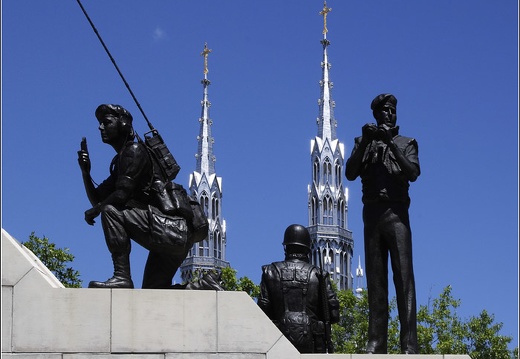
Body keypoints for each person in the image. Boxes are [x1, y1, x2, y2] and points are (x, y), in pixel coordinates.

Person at [77, 104, 191, 289]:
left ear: (123, 124)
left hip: (170, 230)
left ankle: (121, 276)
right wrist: (85, 173)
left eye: (106, 122)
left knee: (110, 211)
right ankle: (205, 284)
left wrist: (95, 211)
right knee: (156, 291)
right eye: (100, 124)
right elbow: (98, 198)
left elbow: (119, 197)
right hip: (173, 235)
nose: (101, 128)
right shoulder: (122, 159)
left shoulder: (134, 151)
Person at [345, 94, 420, 354]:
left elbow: (412, 172)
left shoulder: (407, 142)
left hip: (397, 215)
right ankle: (376, 342)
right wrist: (367, 140)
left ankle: (409, 344)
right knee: (376, 281)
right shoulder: (362, 143)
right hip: (372, 215)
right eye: (385, 111)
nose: (389, 114)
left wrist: (391, 145)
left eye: (393, 111)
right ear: (377, 114)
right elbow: (350, 173)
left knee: (404, 279)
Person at [258, 224, 339, 353]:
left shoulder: (270, 272)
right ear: (307, 249)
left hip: (277, 345)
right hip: (314, 347)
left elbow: (263, 312)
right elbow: (334, 315)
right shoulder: (319, 275)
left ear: (286, 247)